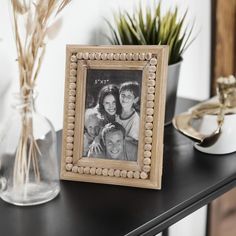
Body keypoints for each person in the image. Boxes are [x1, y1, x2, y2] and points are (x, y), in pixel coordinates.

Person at [85, 84, 122, 154]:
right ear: (103, 103)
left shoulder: (123, 112)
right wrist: (97, 138)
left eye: (114, 102)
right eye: (107, 103)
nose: (111, 106)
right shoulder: (97, 115)